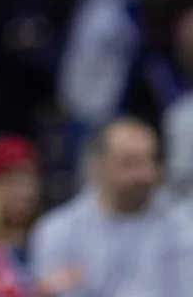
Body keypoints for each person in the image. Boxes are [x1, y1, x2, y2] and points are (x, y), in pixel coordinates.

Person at [28, 117, 193, 296]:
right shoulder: (58, 231)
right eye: (130, 164)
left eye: (150, 161)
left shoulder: (184, 224)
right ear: (97, 167)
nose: (145, 174)